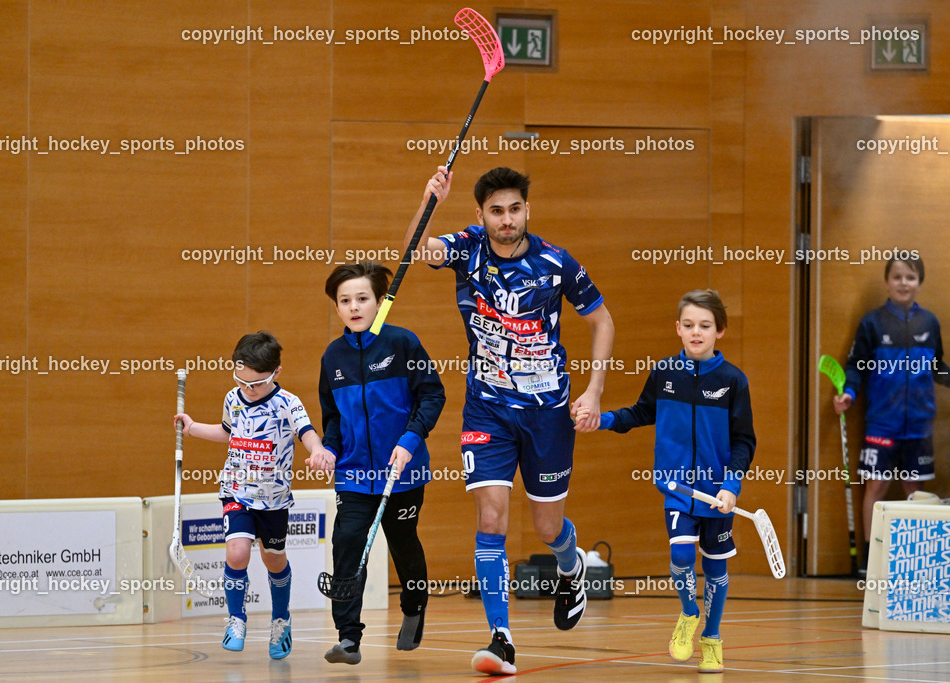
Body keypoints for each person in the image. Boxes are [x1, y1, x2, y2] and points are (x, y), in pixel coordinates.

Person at [407, 166, 614, 675]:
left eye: (514, 209)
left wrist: (592, 390)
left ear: (527, 210)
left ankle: (572, 565)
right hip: (487, 408)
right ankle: (501, 638)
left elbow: (602, 321)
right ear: (481, 214)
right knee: (492, 517)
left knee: (546, 526)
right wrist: (429, 199)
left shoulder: (555, 262)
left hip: (548, 414)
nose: (506, 220)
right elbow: (417, 250)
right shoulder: (467, 248)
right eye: (496, 211)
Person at [579, 289, 755, 673]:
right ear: (678, 328)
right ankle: (688, 613)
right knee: (679, 555)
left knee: (715, 570)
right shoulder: (664, 373)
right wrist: (602, 419)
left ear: (719, 331)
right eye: (689, 325)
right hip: (676, 489)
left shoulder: (732, 381)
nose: (696, 332)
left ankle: (711, 637)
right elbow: (641, 413)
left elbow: (744, 442)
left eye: (705, 326)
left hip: (715, 494)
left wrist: (731, 486)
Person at [312, 261, 446, 665]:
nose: (354, 307)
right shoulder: (332, 357)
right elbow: (332, 416)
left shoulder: (403, 344)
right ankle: (349, 637)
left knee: (403, 545)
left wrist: (409, 440)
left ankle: (414, 605)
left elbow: (433, 396)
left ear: (377, 303)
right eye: (345, 301)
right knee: (347, 544)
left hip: (403, 471)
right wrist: (330, 449)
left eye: (362, 298)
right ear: (336, 307)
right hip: (354, 473)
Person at [174, 330, 330, 659]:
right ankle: (236, 619)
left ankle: (280, 620)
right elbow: (227, 432)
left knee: (273, 559)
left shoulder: (288, 403)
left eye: (256, 383)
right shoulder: (233, 398)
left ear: (276, 373)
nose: (248, 389)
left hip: (273, 501)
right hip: (236, 491)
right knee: (237, 552)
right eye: (242, 381)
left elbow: (308, 433)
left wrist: (318, 451)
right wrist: (192, 427)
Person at [833, 255, 950, 573]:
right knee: (877, 487)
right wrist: (849, 393)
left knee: (917, 491)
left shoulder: (930, 322)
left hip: (920, 425)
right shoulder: (872, 322)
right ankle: (871, 560)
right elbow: (856, 364)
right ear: (887, 282)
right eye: (897, 277)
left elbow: (936, 365)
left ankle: (916, 562)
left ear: (919, 283)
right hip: (882, 422)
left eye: (910, 277)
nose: (903, 283)